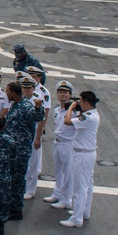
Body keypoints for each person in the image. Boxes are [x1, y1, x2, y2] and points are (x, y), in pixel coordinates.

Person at [3, 76, 45, 220]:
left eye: (8, 91)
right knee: (11, 178)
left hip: (20, 150)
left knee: (18, 180)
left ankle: (16, 209)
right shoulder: (15, 105)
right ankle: (11, 205)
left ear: (14, 93)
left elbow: (37, 117)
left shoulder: (26, 106)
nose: (6, 94)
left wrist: (39, 108)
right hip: (12, 149)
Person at [60, 91, 100, 228]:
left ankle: (76, 218)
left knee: (80, 188)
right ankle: (83, 212)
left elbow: (67, 121)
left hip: (83, 155)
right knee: (88, 185)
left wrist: (70, 107)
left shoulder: (88, 117)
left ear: (87, 103)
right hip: (88, 153)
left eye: (81, 101)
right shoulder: (92, 114)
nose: (79, 104)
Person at [45, 80, 78, 208]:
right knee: (58, 170)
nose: (62, 95)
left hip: (68, 143)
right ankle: (57, 193)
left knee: (68, 173)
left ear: (70, 95)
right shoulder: (57, 110)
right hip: (57, 142)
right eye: (60, 92)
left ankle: (66, 199)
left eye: (65, 92)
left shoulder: (74, 112)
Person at [21, 76, 48, 200]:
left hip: (33, 134)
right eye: (24, 87)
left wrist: (38, 138)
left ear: (33, 88)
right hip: (22, 135)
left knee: (33, 163)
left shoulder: (37, 100)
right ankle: (22, 186)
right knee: (22, 162)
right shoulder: (20, 100)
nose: (26, 90)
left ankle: (30, 190)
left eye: (29, 88)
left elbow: (41, 121)